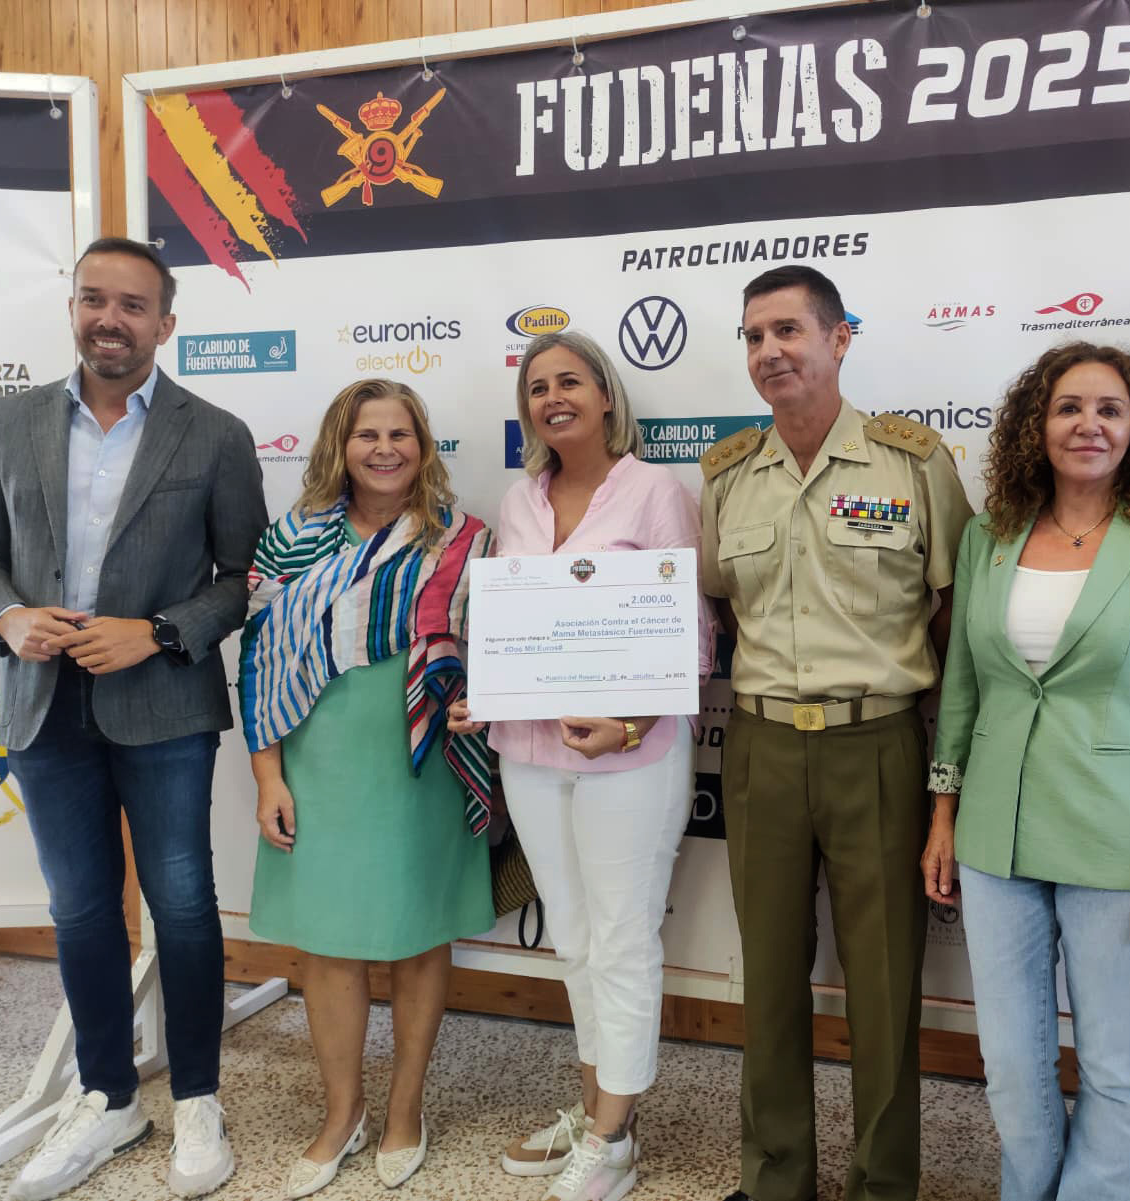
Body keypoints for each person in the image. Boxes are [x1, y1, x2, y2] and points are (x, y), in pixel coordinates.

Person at [0, 237, 267, 1200]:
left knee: (182, 905)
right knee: (81, 909)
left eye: (132, 305)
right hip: (42, 705)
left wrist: (158, 633)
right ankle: (107, 1096)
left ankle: (199, 1097)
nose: (110, 319)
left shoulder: (216, 434)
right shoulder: (11, 420)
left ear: (165, 324)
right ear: (73, 308)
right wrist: (8, 617)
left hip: (164, 705)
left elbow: (241, 579)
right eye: (95, 299)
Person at [921, 342, 1130, 1201]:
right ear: (1038, 425)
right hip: (996, 835)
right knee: (1012, 1063)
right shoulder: (989, 535)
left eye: (1109, 409)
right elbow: (965, 687)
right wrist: (944, 813)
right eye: (1068, 407)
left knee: (1114, 1064)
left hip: (1117, 837)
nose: (1087, 424)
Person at [699, 265, 973, 1201]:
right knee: (769, 976)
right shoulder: (728, 475)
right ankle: (776, 1176)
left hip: (878, 745)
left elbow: (955, 617)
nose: (769, 351)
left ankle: (882, 1182)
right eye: (753, 336)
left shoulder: (913, 464)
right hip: (762, 746)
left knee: (884, 982)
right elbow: (719, 606)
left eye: (788, 330)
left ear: (839, 338)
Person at [445, 330, 713, 1201]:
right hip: (529, 752)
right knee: (574, 937)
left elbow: (694, 638)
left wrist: (630, 723)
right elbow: (511, 629)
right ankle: (598, 1106)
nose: (552, 397)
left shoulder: (657, 493)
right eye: (537, 387)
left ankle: (614, 1137)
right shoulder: (518, 500)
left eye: (569, 381)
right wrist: (482, 693)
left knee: (623, 939)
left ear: (604, 395)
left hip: (630, 756)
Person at [240, 378, 495, 1197]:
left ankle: (405, 1109)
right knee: (328, 941)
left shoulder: (463, 539)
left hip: (420, 752)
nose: (384, 448)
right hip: (318, 750)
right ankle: (342, 1111)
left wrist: (481, 697)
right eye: (366, 434)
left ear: (423, 446)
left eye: (400, 434)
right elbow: (259, 658)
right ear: (339, 447)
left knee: (420, 935)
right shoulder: (292, 540)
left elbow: (498, 646)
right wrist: (268, 773)